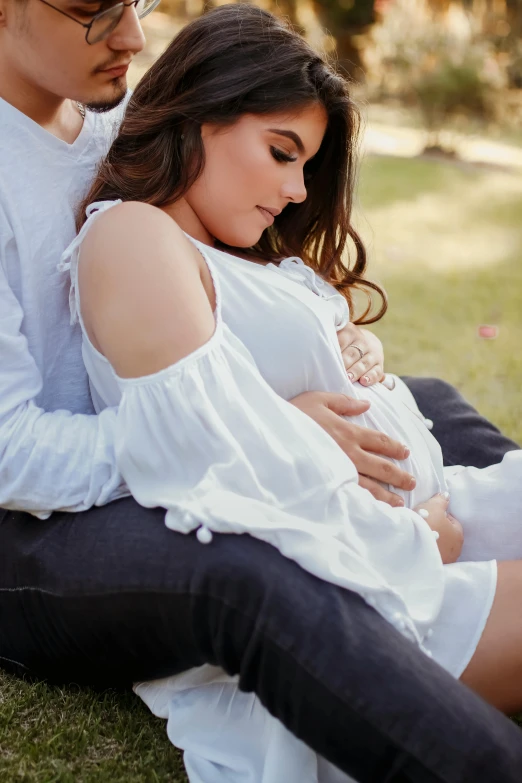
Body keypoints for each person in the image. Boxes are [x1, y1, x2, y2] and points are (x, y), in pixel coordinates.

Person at [0, 0, 521, 780]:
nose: (135, 36)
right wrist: (269, 430)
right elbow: (14, 453)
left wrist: (334, 347)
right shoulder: (101, 216)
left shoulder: (115, 129)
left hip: (194, 440)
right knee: (244, 574)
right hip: (39, 523)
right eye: (94, 9)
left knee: (435, 399)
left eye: (137, 4)